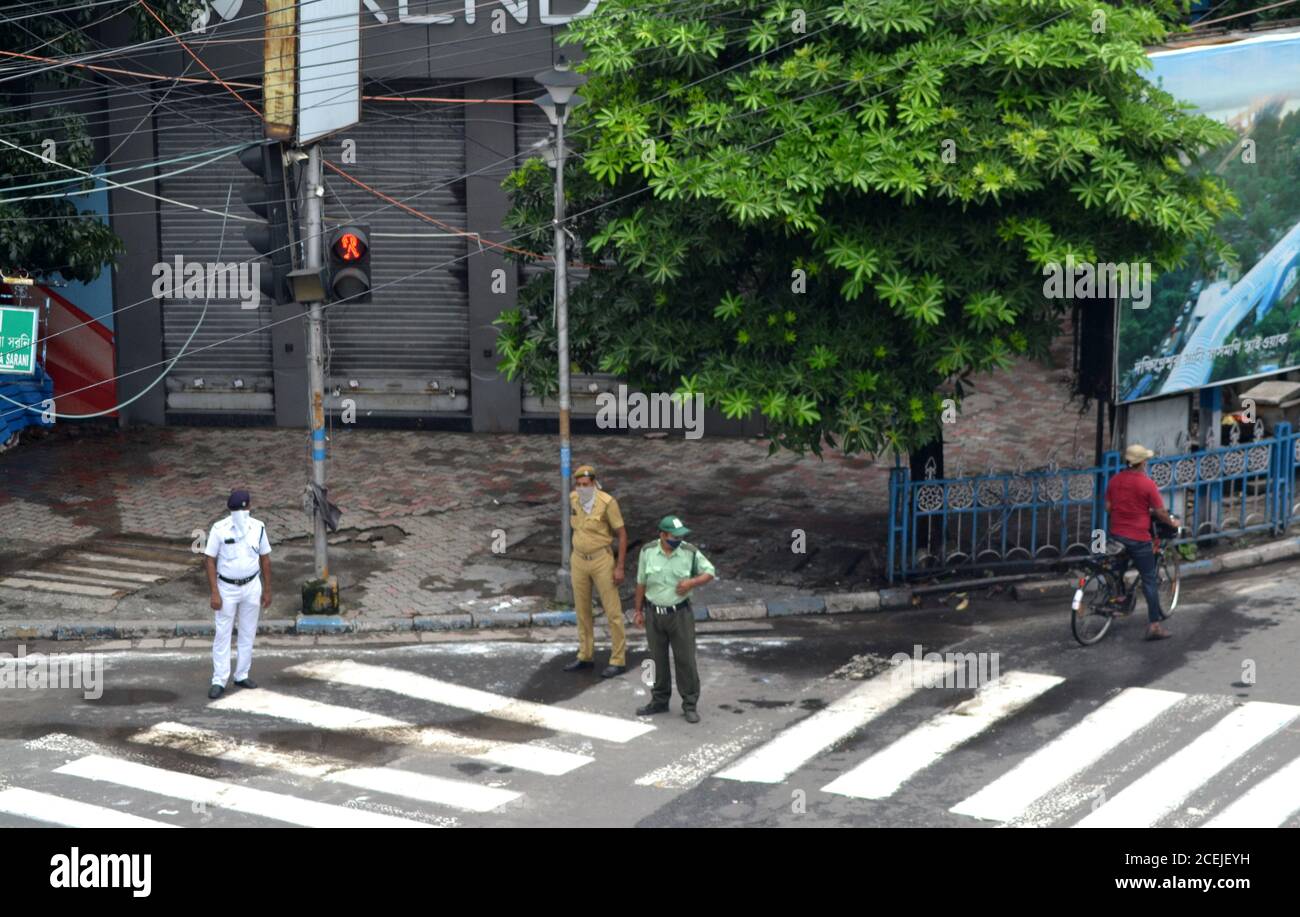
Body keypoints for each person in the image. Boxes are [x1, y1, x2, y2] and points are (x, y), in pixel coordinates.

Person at [633, 515, 715, 723]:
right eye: (673, 536)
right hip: (654, 615)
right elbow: (641, 582)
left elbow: (709, 572)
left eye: (680, 536)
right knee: (656, 660)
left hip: (680, 615)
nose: (677, 539)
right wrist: (638, 610)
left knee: (685, 660)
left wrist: (691, 583)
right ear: (662, 535)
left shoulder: (689, 552)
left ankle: (689, 704)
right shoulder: (648, 551)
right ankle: (659, 700)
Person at [1104, 444, 1180, 641]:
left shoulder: (1115, 480)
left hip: (1116, 535)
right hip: (1138, 538)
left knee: (1117, 571)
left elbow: (1108, 507)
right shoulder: (1147, 484)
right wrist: (1172, 522)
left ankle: (1119, 598)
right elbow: (1161, 512)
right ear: (1142, 462)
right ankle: (1154, 626)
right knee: (1148, 579)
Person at [204, 489, 272, 698]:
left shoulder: (258, 528)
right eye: (237, 510)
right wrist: (215, 592)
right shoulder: (220, 529)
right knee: (223, 634)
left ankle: (242, 674)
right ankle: (219, 679)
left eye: (244, 508)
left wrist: (267, 589)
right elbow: (209, 559)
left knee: (247, 632)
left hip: (252, 586)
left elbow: (265, 558)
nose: (242, 513)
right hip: (227, 588)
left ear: (249, 507)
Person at [564, 465, 629, 677]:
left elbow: (622, 534)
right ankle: (585, 655)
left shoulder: (607, 503)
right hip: (579, 560)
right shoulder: (573, 499)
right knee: (582, 611)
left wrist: (619, 566)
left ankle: (618, 659)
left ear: (594, 483)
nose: (582, 488)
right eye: (579, 485)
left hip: (602, 559)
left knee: (613, 612)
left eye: (586, 485)